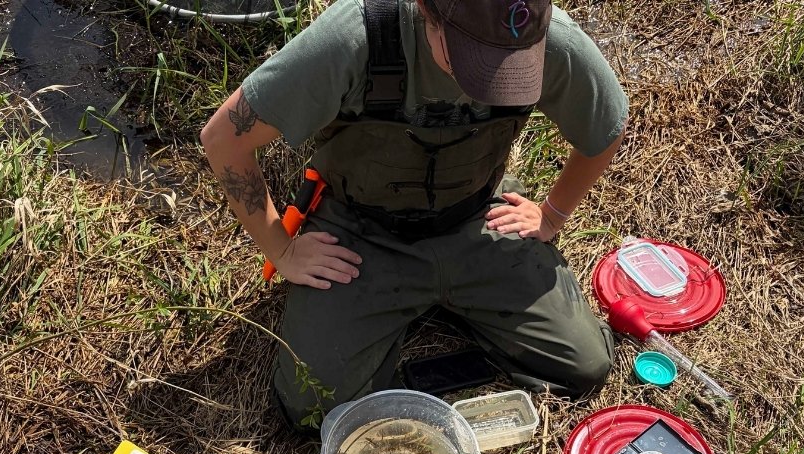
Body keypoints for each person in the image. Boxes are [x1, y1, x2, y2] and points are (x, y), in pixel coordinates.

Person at [200, 0, 628, 426]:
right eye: (474, 59)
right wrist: (283, 250)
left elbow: (607, 123)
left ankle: (450, 297)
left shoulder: (544, 36)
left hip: (477, 219)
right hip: (363, 230)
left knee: (585, 365)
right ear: (427, 10)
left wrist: (552, 214)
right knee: (312, 409)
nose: (494, 79)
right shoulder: (356, 36)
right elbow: (224, 137)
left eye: (514, 66)